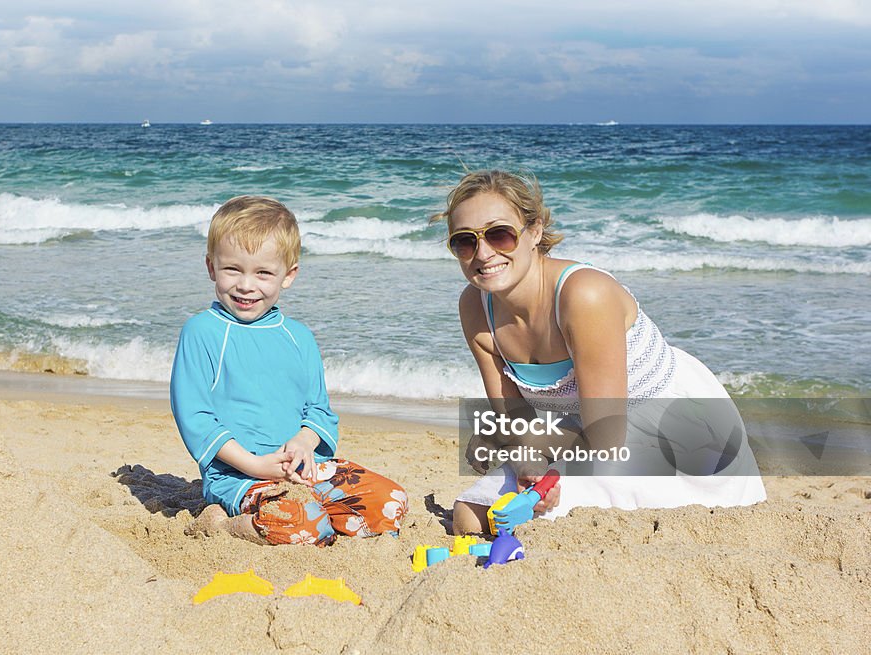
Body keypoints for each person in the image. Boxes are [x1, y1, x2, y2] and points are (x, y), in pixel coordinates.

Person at [432, 170, 766, 535]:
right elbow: (517, 420)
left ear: (534, 232)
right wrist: (524, 453)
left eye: (499, 234)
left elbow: (606, 438)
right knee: (471, 516)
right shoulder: (476, 307)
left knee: (526, 518)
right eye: (464, 242)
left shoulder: (584, 296)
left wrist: (520, 443)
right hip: (579, 434)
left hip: (670, 430)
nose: (483, 254)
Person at [171, 196, 408, 546]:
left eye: (263, 273)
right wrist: (255, 465)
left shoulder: (298, 337)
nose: (246, 285)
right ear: (211, 267)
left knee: (392, 503)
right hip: (240, 477)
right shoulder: (202, 331)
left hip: (305, 471)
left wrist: (302, 442)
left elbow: (319, 411)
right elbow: (196, 417)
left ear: (288, 275)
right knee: (302, 524)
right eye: (232, 269)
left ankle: (316, 515)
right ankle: (222, 526)